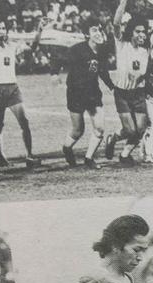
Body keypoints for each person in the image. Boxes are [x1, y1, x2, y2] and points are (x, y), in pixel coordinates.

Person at [0, 2, 43, 167]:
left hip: (12, 88)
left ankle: (30, 155)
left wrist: (40, 30)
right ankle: (1, 156)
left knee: (24, 121)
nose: (1, 31)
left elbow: (32, 48)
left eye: (3, 28)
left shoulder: (11, 46)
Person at [108, 0, 153, 165]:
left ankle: (124, 155)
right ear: (131, 32)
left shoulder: (146, 47)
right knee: (130, 130)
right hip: (122, 93)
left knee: (140, 129)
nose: (142, 35)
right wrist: (123, 3)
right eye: (138, 31)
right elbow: (116, 23)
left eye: (144, 32)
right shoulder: (121, 43)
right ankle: (114, 138)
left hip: (138, 93)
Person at [60, 18, 114, 169]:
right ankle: (67, 148)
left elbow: (102, 71)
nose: (99, 33)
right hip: (76, 93)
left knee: (100, 128)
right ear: (87, 34)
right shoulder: (77, 50)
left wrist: (112, 86)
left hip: (92, 93)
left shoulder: (102, 50)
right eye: (94, 30)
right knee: (78, 130)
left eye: (100, 29)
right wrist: (53, 73)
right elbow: (58, 60)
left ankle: (89, 158)